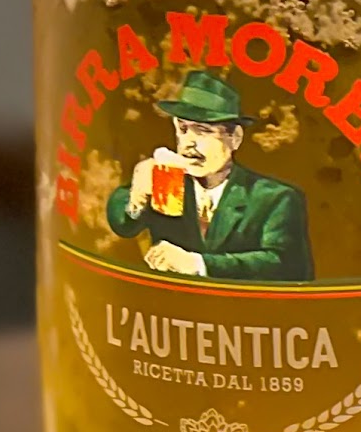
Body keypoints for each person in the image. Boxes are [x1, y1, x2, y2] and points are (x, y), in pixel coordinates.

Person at [106, 71, 313, 282]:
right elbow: (122, 224)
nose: (188, 143)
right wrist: (137, 198)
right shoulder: (168, 182)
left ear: (235, 138)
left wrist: (197, 264)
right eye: (183, 129)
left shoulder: (275, 198)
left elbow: (287, 266)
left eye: (202, 130)